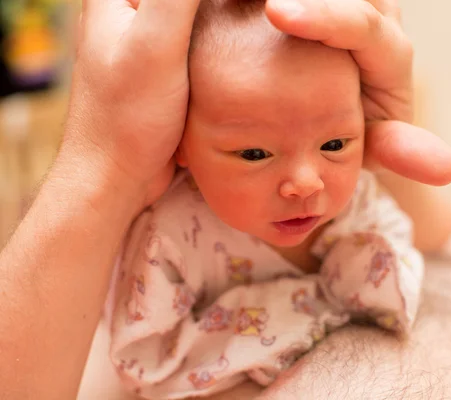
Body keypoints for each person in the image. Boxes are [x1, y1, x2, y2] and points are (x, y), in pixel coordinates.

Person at [105, 1, 425, 398]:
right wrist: (305, 309)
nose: (307, 184)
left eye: (334, 144)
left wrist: (354, 269)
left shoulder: (356, 196)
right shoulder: (170, 238)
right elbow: (145, 361)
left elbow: (400, 263)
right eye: (255, 154)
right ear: (178, 140)